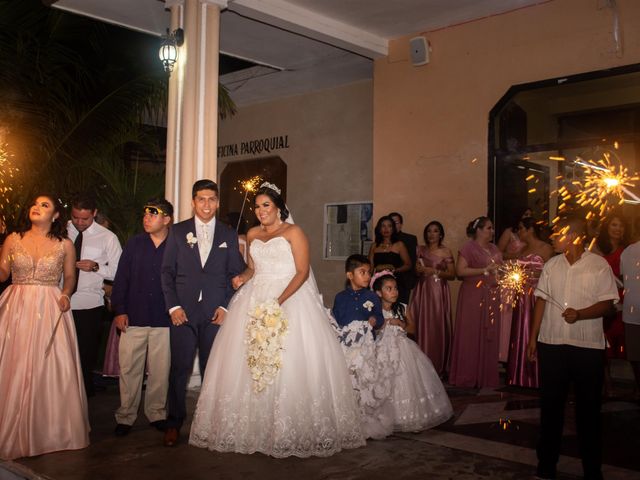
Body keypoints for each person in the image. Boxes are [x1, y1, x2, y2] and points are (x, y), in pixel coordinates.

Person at [189, 182, 365, 457]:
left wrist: (279, 301)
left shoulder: (294, 232)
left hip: (289, 297)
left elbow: (302, 272)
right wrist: (242, 278)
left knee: (287, 360)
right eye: (257, 206)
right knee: (248, 360)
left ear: (279, 207)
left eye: (266, 205)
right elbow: (253, 268)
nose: (260, 211)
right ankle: (254, 428)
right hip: (255, 298)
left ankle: (288, 427)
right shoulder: (253, 233)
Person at [527, 215, 618, 480]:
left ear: (573, 236)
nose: (553, 237)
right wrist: (533, 339)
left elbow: (607, 304)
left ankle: (592, 470)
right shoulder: (551, 266)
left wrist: (581, 314)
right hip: (551, 344)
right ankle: (546, 466)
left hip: (587, 346)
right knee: (550, 408)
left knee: (588, 411)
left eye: (557, 233)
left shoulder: (598, 265)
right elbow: (541, 302)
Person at [0, 194, 89, 459]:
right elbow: (3, 272)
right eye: (35, 204)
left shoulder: (65, 244)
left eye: (44, 205)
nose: (37, 208)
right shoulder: (13, 239)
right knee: (12, 364)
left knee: (46, 366)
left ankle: (47, 429)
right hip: (16, 306)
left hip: (50, 306)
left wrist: (65, 294)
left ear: (56, 215)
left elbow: (71, 276)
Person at [161, 179, 245, 447]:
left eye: (211, 199)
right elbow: (167, 273)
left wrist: (224, 306)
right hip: (182, 312)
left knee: (213, 370)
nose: (206, 204)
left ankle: (211, 423)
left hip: (214, 313)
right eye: (201, 199)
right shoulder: (177, 232)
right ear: (193, 202)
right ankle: (174, 422)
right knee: (179, 369)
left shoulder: (228, 235)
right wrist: (173, 307)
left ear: (218, 202)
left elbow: (236, 274)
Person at [111, 199, 174, 437]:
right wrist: (119, 310)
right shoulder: (134, 244)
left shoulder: (177, 245)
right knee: (129, 369)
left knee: (160, 370)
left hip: (164, 319)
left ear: (167, 219)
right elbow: (121, 279)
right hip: (133, 316)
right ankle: (126, 416)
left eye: (153, 214)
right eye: (145, 214)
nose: (146, 218)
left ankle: (156, 413)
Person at [372, 272, 453, 432]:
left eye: (395, 288)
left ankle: (409, 416)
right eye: (389, 289)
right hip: (382, 350)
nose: (394, 291)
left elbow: (412, 328)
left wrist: (400, 323)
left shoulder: (402, 307)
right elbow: (371, 330)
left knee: (406, 379)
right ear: (379, 293)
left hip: (403, 349)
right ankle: (384, 416)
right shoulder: (375, 310)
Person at [68, 193, 122, 397]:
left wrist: (97, 267)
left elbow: (118, 271)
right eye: (75, 218)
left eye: (85, 218)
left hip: (89, 303)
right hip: (58, 300)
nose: (79, 223)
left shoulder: (107, 237)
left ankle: (82, 394)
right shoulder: (61, 231)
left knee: (86, 353)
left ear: (95, 214)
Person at [332, 254, 389, 440]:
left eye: (369, 273)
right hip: (347, 349)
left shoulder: (372, 296)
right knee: (348, 382)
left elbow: (380, 319)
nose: (367, 276)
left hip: (365, 349)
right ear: (350, 275)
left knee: (366, 382)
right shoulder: (340, 298)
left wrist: (375, 320)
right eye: (362, 272)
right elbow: (338, 320)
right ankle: (348, 416)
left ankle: (366, 417)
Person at [449, 216, 502, 388]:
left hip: (491, 295)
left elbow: (499, 268)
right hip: (473, 295)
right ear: (478, 230)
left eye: (492, 228)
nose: (492, 231)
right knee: (471, 332)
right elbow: (460, 271)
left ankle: (486, 375)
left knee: (489, 333)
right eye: (488, 228)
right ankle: (467, 375)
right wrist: (484, 270)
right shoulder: (468, 248)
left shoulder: (494, 248)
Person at [506, 217, 553, 388]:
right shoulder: (523, 249)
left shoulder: (546, 248)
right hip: (522, 296)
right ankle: (519, 375)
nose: (519, 232)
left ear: (530, 229)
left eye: (521, 228)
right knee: (520, 330)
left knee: (536, 328)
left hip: (537, 296)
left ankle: (538, 375)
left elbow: (551, 274)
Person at [409, 220, 455, 376]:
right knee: (419, 323)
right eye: (429, 231)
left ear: (440, 234)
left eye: (435, 231)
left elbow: (452, 274)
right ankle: (419, 364)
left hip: (437, 291)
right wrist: (419, 270)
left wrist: (433, 271)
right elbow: (416, 272)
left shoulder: (446, 251)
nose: (431, 234)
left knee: (436, 325)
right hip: (421, 290)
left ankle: (438, 364)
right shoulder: (419, 250)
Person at [592, 214, 628, 396]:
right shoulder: (597, 249)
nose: (617, 229)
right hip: (602, 300)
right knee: (602, 345)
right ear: (607, 227)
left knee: (625, 344)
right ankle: (608, 385)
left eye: (621, 226)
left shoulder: (627, 250)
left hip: (623, 301)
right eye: (614, 224)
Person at [368, 216, 412, 303]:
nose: (386, 229)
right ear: (379, 229)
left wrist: (394, 270)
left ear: (393, 229)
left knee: (395, 311)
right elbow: (370, 267)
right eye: (383, 226)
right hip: (378, 284)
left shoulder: (399, 245)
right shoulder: (374, 245)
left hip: (396, 283)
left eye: (389, 226)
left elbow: (408, 265)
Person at [620, 239, 640, 400]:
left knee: (635, 356)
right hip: (632, 310)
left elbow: (622, 277)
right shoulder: (628, 251)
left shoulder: (627, 251)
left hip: (631, 308)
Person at [389, 212, 418, 301]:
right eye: (391, 223)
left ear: (401, 225)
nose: (393, 225)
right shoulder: (383, 240)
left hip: (404, 281)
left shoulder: (410, 239)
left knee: (401, 310)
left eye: (396, 223)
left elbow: (413, 261)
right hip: (385, 281)